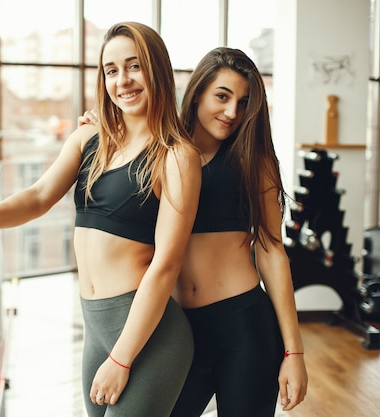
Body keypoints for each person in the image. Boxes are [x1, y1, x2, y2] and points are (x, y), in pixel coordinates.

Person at [0, 22, 201, 417]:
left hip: (149, 337)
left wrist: (121, 360)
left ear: (157, 70)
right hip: (97, 329)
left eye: (134, 66)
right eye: (111, 70)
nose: (123, 80)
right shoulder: (91, 139)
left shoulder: (176, 156)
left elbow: (166, 264)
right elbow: (37, 196)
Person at [80, 47, 308, 416]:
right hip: (176, 329)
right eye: (222, 96)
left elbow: (272, 252)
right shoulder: (159, 151)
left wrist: (293, 351)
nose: (232, 112)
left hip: (244, 328)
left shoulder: (254, 159)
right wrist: (103, 125)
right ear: (197, 91)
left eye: (243, 102)